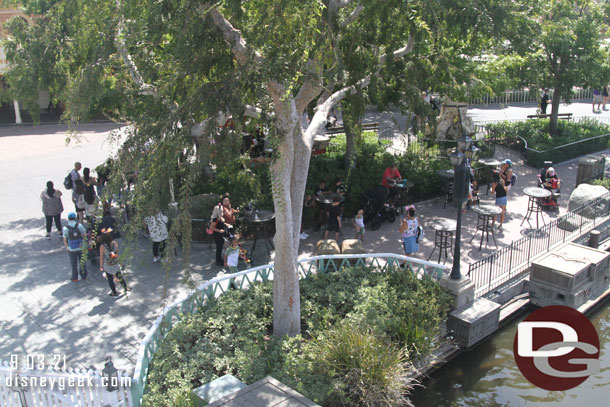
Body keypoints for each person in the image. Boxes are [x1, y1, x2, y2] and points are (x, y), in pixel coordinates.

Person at [98, 228, 130, 297]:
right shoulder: (114, 243)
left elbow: (101, 257)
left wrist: (101, 266)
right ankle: (125, 288)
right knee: (119, 276)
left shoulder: (102, 246)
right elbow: (117, 253)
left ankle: (114, 292)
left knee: (110, 279)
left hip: (108, 264)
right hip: (115, 262)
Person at [63, 212, 88, 282]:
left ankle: (75, 278)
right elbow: (85, 235)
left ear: (68, 219)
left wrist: (67, 247)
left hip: (72, 248)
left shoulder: (66, 228)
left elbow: (65, 239)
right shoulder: (79, 226)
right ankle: (84, 276)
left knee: (73, 264)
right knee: (82, 263)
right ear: (75, 218)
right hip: (81, 247)